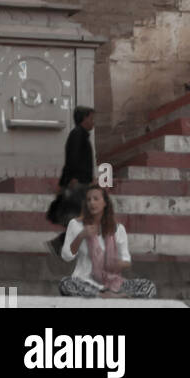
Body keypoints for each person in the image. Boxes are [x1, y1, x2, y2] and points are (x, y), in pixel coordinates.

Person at [59, 185, 156, 299]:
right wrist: (81, 236)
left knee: (148, 286)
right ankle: (102, 295)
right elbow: (66, 256)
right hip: (85, 283)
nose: (92, 203)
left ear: (105, 203)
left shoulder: (118, 228)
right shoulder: (75, 225)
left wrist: (116, 264)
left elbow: (126, 260)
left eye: (96, 199)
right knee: (65, 283)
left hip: (114, 285)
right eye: (88, 200)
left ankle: (115, 295)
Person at [47, 105, 95, 259]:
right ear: (84, 118)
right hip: (78, 185)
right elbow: (71, 161)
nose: (93, 121)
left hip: (82, 183)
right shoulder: (77, 135)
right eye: (91, 118)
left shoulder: (81, 135)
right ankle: (61, 244)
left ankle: (61, 244)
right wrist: (69, 180)